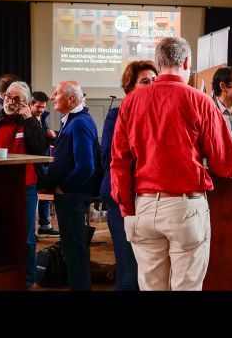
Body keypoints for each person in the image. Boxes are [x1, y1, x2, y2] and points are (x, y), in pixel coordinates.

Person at [111, 37, 232, 291]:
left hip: (143, 206)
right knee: (187, 287)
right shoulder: (200, 101)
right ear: (185, 62)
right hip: (185, 207)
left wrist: (127, 208)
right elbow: (225, 165)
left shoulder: (130, 102)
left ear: (159, 64)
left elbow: (119, 160)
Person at [0, 81, 48, 288]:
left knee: (25, 237)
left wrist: (29, 119)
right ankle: (1, 276)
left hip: (25, 187)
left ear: (25, 102)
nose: (10, 100)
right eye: (8, 96)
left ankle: (26, 281)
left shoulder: (30, 121)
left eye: (16, 98)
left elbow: (40, 148)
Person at [100, 60, 157, 291]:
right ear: (130, 87)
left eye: (155, 80)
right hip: (123, 198)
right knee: (129, 272)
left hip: (155, 200)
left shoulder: (163, 115)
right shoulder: (116, 115)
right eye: (145, 81)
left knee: (151, 273)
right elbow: (107, 159)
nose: (152, 85)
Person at [45, 80, 98, 291]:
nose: (52, 97)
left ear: (71, 98)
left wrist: (64, 187)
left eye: (57, 93)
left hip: (73, 196)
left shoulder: (80, 122)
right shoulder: (72, 120)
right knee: (71, 248)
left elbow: (86, 167)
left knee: (74, 250)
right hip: (70, 195)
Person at [29, 91, 58, 237]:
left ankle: (45, 225)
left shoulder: (43, 118)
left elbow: (43, 140)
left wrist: (50, 137)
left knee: (45, 192)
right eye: (38, 106)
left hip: (44, 160)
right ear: (30, 104)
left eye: (43, 107)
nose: (41, 110)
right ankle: (31, 230)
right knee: (33, 197)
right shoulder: (27, 120)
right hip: (33, 163)